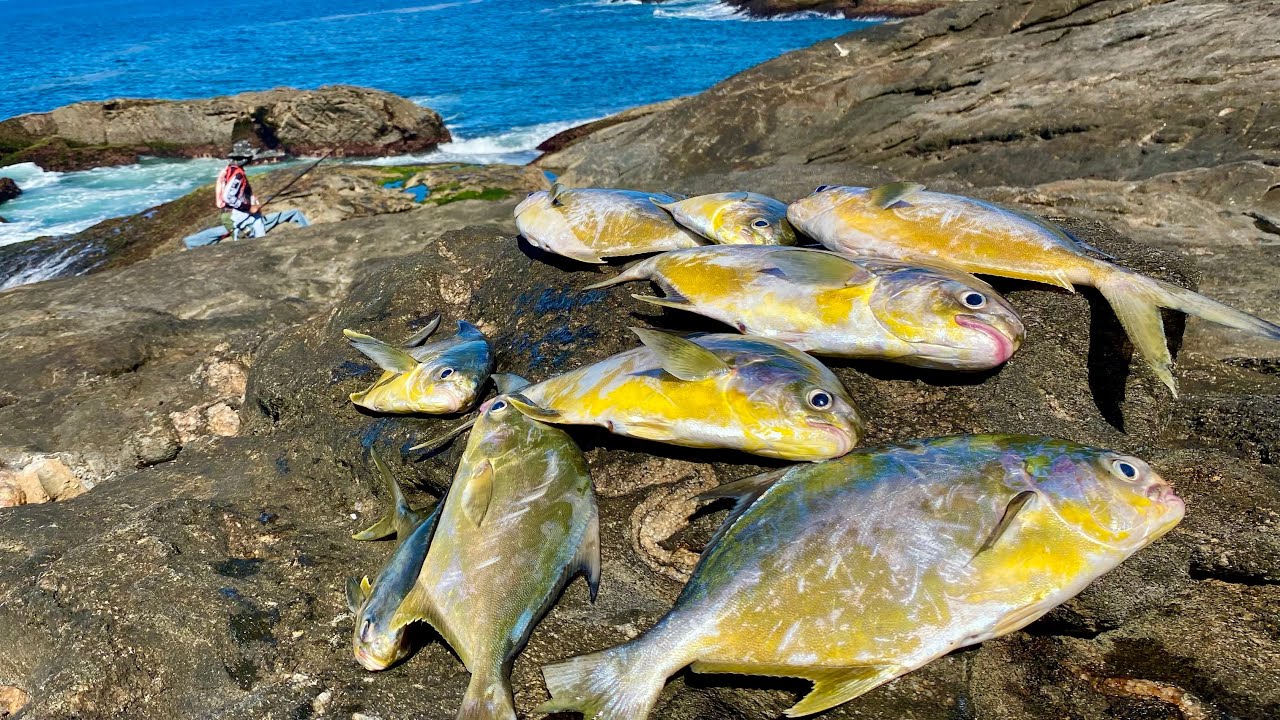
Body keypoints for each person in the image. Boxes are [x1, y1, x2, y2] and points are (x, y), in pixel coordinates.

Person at [216, 140, 310, 240]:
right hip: (237, 216)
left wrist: (253, 202)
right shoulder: (237, 174)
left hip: (233, 215)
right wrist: (249, 208)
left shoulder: (229, 170)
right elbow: (227, 197)